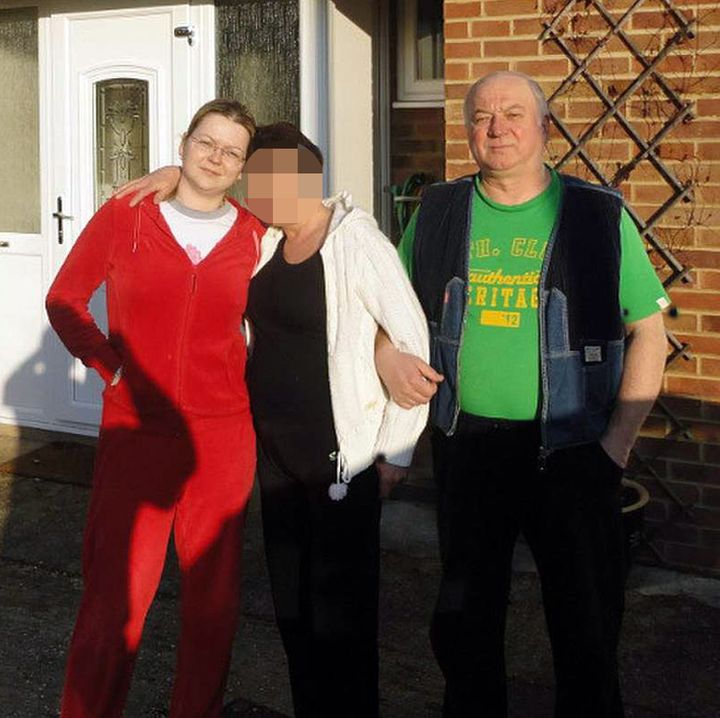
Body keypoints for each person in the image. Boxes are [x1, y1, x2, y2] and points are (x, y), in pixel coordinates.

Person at [378, 70, 669, 717]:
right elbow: (388, 314)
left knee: (586, 625)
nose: (497, 127)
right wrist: (386, 356)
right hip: (467, 447)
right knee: (465, 621)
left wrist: (615, 447)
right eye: (482, 116)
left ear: (544, 127)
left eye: (513, 113)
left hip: (574, 451)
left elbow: (650, 332)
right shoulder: (439, 212)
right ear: (467, 132)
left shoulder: (597, 215)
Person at [116, 122, 431, 718]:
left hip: (345, 459)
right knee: (293, 612)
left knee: (342, 620)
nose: (270, 188)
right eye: (261, 178)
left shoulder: (355, 240)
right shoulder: (262, 241)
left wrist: (396, 451)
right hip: (277, 458)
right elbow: (213, 197)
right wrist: (174, 177)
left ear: (311, 175)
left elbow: (410, 340)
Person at [46, 99, 265, 717]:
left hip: (222, 439)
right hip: (136, 433)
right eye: (206, 143)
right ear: (183, 141)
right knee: (116, 598)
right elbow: (65, 298)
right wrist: (111, 368)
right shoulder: (128, 217)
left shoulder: (255, 235)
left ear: (244, 166)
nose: (216, 158)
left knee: (213, 605)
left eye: (231, 151)